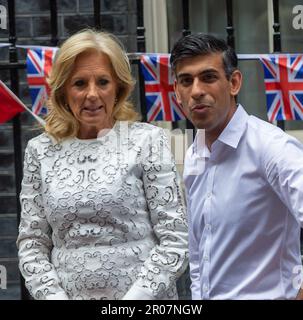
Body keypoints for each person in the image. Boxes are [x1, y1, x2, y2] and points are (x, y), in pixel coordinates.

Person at [17, 29, 188, 300]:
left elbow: (176, 238)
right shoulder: (40, 150)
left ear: (119, 88)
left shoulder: (147, 140)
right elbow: (32, 242)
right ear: (63, 91)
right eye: (80, 83)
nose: (92, 94)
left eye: (103, 82)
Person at [170, 33, 303, 300]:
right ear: (177, 93)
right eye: (186, 80)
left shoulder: (272, 148)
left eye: (208, 77)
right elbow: (199, 256)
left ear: (234, 82)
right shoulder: (195, 153)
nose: (196, 90)